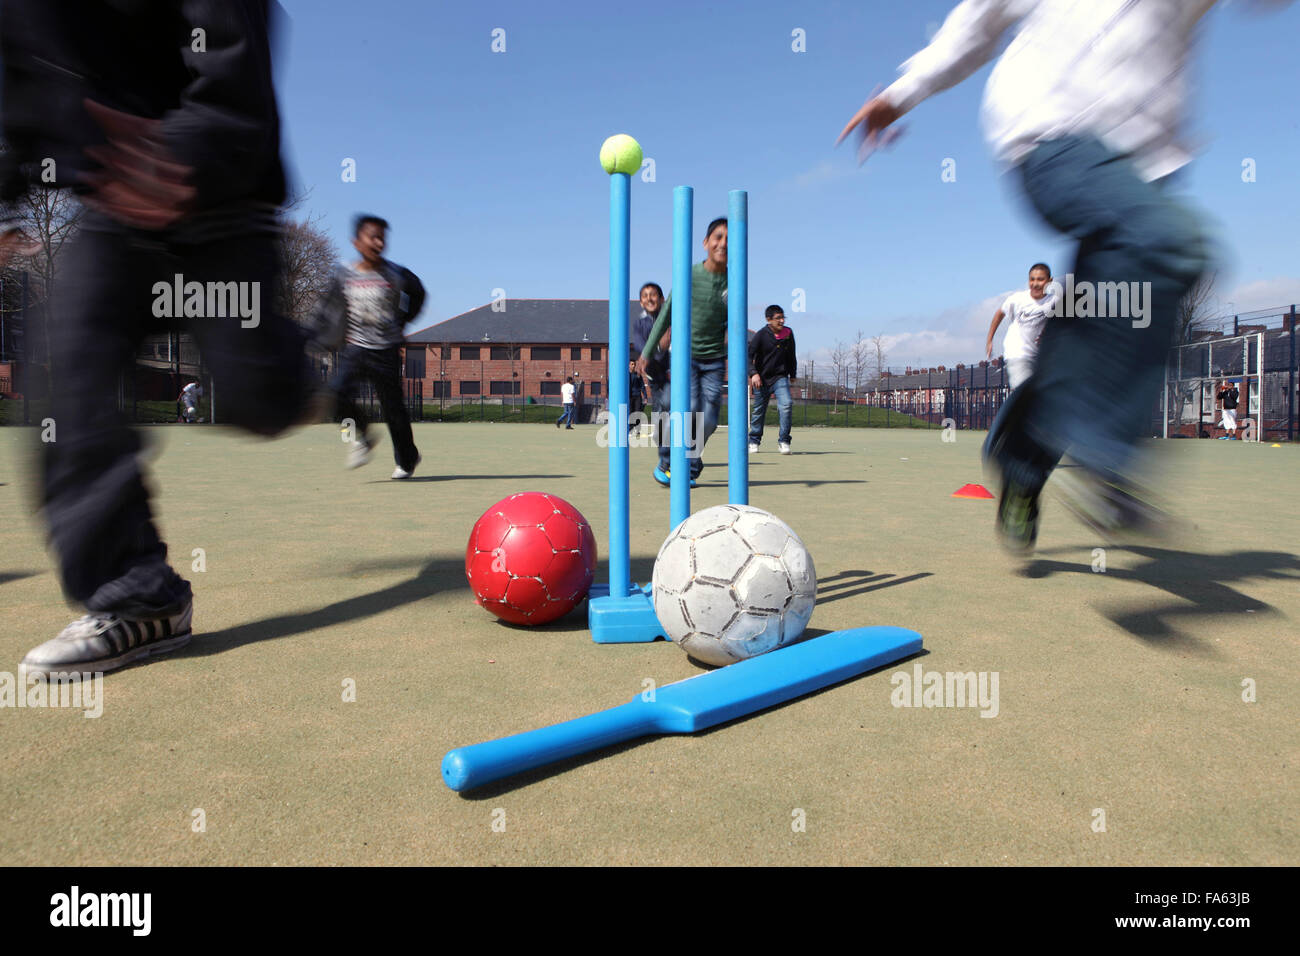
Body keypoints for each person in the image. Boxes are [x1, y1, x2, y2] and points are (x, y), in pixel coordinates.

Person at [837, 0, 1237, 551]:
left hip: (1146, 167)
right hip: (1053, 140)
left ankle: (1021, 469)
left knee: (1096, 320)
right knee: (1171, 243)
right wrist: (901, 94)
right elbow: (979, 22)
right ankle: (1106, 456)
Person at [2, 0, 314, 675]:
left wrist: (190, 148)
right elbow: (19, 78)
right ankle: (140, 596)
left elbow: (237, 39)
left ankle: (304, 376)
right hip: (110, 206)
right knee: (63, 365)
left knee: (261, 401)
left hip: (223, 198)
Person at [313, 215, 425, 477]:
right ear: (356, 242)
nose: (378, 242)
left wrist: (403, 322)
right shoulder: (344, 274)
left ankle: (408, 459)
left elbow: (419, 294)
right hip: (357, 348)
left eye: (381, 238)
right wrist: (317, 336)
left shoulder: (397, 274)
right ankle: (362, 436)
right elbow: (328, 307)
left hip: (386, 350)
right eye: (371, 237)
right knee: (334, 394)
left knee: (393, 410)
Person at [634, 217, 729, 485]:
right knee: (687, 409)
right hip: (686, 360)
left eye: (729, 240)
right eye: (718, 237)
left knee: (709, 418)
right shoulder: (690, 276)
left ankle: (690, 460)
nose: (723, 243)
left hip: (713, 359)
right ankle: (671, 463)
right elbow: (664, 318)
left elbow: (734, 323)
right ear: (706, 243)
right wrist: (646, 354)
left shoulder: (733, 278)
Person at [985, 264, 1056, 390]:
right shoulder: (1018, 299)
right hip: (1018, 353)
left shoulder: (1054, 302)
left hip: (1040, 357)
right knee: (1025, 392)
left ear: (1050, 281)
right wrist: (990, 339)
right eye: (1032, 279)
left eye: (1040, 279)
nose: (1035, 284)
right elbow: (999, 314)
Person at [630, 282, 673, 481]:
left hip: (682, 374)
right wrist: (658, 347)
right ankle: (666, 461)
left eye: (653, 294)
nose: (649, 298)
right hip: (658, 377)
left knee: (694, 416)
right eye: (645, 296)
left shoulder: (675, 317)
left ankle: (691, 463)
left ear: (662, 299)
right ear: (640, 302)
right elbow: (641, 347)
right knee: (662, 417)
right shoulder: (641, 324)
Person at [748, 305, 797, 454]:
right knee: (758, 411)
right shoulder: (761, 335)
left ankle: (783, 441)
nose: (781, 321)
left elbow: (791, 355)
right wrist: (753, 373)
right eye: (778, 318)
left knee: (787, 404)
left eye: (783, 317)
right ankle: (754, 441)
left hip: (780, 377)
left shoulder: (788, 333)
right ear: (768, 320)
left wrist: (793, 374)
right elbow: (748, 356)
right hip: (761, 379)